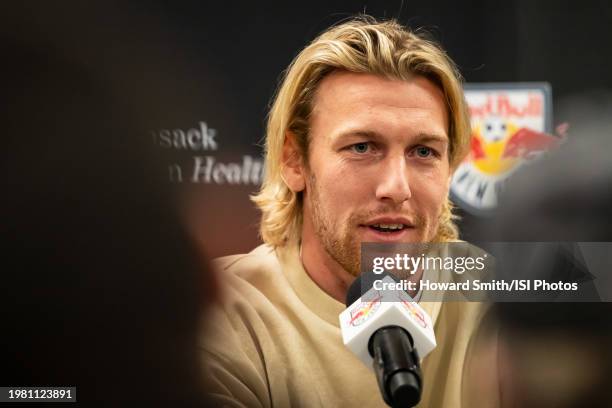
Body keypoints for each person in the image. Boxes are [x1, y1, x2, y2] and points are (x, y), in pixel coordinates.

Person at [201, 16, 498, 407]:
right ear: (294, 161)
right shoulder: (214, 316)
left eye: (424, 152)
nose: (396, 187)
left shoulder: (502, 294)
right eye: (362, 147)